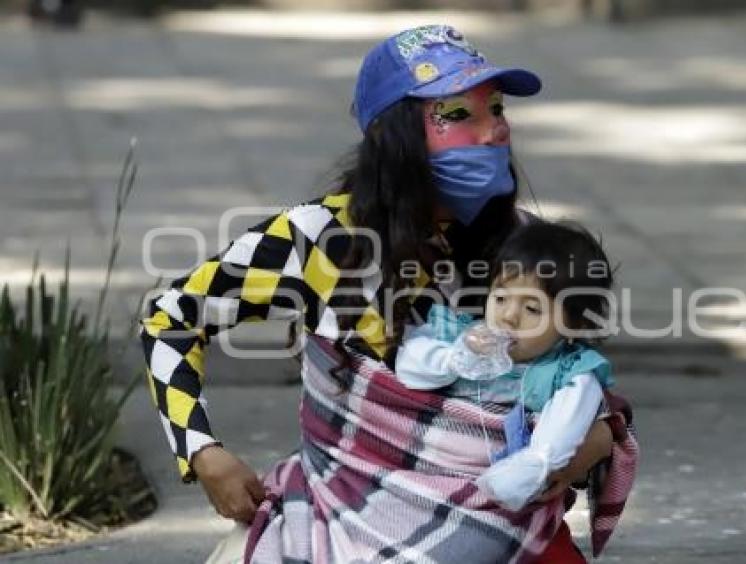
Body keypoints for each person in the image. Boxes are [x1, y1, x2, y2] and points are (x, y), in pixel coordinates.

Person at [140, 24, 637, 563]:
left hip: (493, 528)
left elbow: (573, 377)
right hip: (339, 516)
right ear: (397, 137)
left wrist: (595, 439)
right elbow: (170, 320)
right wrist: (203, 452)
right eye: (459, 115)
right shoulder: (316, 240)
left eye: (496, 109)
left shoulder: (519, 243)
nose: (494, 130)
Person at [395, 220, 620, 514]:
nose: (509, 316)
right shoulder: (459, 335)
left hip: (496, 500)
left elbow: (556, 440)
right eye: (500, 298)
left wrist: (525, 472)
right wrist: (456, 357)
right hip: (420, 475)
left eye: (532, 309)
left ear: (572, 324)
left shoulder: (568, 374)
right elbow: (409, 368)